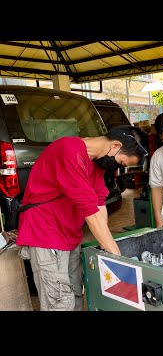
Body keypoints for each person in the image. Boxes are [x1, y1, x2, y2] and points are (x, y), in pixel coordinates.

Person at [16, 125, 149, 311]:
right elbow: (90, 211)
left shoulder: (96, 163)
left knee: (76, 295)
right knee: (60, 303)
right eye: (122, 163)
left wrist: (105, 245)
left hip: (70, 234)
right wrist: (117, 258)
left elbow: (99, 203)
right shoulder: (69, 151)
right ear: (115, 145)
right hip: (46, 234)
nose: (119, 168)